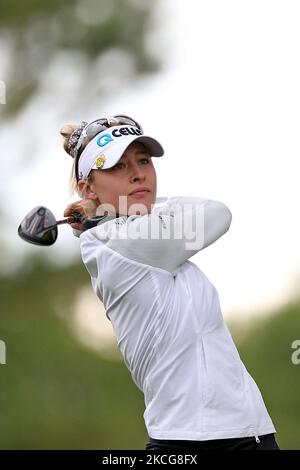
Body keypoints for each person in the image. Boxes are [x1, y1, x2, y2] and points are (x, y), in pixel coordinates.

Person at [60, 115, 280, 451]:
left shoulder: (129, 229)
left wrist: (105, 208)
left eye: (143, 161)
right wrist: (106, 214)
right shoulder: (119, 239)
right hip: (191, 442)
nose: (138, 173)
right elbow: (217, 213)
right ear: (88, 188)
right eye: (118, 166)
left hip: (248, 432)